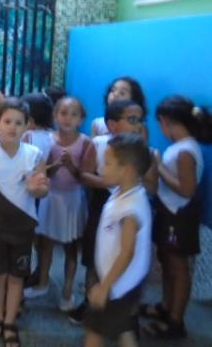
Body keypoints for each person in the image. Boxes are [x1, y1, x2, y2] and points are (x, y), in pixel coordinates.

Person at [69, 100, 157, 324]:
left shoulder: (143, 156)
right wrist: (108, 181)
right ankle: (92, 300)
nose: (137, 125)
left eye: (140, 120)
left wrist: (129, 176)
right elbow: (85, 174)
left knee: (106, 328)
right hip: (103, 204)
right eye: (132, 120)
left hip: (119, 279)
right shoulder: (99, 145)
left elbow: (153, 187)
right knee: (94, 253)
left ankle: (108, 302)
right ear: (113, 125)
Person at [0, 97, 49, 347]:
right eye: (7, 121)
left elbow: (43, 191)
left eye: (19, 122)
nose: (12, 127)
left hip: (23, 227)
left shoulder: (34, 155)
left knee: (17, 277)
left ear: (27, 125)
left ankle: (9, 322)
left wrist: (34, 188)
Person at [142, 96, 212, 339]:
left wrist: (159, 166)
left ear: (165, 121)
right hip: (169, 213)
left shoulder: (186, 151)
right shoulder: (182, 146)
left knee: (178, 267)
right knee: (168, 263)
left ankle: (176, 321)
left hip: (179, 217)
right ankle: (165, 306)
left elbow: (186, 189)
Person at [26, 97, 95, 312]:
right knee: (45, 242)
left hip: (72, 200)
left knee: (70, 246)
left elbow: (85, 176)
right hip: (51, 198)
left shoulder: (86, 142)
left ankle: (67, 289)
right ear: (55, 116)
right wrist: (57, 164)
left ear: (81, 118)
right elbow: (42, 170)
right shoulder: (48, 140)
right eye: (63, 113)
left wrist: (71, 166)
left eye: (73, 114)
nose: (67, 118)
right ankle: (43, 282)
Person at [84, 134, 153, 347]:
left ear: (127, 170)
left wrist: (105, 287)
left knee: (95, 331)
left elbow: (127, 251)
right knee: (123, 327)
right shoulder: (125, 192)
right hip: (120, 280)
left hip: (116, 284)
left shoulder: (130, 209)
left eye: (108, 163)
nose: (102, 167)